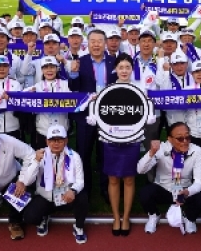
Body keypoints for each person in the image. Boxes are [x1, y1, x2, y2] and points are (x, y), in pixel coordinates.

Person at [87, 53, 147, 236]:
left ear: (132, 69)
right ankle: (115, 217)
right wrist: (94, 111)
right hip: (111, 140)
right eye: (121, 67)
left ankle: (126, 217)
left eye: (127, 67)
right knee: (113, 178)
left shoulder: (140, 90)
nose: (124, 71)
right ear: (115, 69)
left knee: (129, 178)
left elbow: (144, 114)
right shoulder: (108, 90)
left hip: (132, 140)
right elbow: (101, 112)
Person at [68, 30, 117, 200]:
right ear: (87, 44)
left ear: (105, 43)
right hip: (85, 116)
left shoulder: (114, 62)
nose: (96, 45)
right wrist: (74, 74)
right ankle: (85, 188)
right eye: (93, 41)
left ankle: (105, 187)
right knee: (84, 153)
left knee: (106, 153)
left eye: (99, 41)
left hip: (108, 116)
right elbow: (73, 89)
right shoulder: (79, 62)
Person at [21, 125, 88, 243]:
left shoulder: (74, 156)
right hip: (46, 198)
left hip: (66, 197)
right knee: (29, 217)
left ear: (66, 141)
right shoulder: (39, 155)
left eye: (60, 140)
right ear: (47, 141)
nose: (56, 144)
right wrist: (36, 161)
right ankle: (44, 217)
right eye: (52, 140)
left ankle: (78, 227)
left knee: (82, 197)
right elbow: (27, 181)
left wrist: (73, 191)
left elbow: (80, 181)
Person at [137, 122, 201, 234]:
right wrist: (151, 153)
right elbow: (140, 170)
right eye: (180, 138)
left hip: (184, 189)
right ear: (169, 139)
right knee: (144, 193)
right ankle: (154, 215)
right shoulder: (161, 148)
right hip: (164, 188)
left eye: (187, 137)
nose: (185, 141)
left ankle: (189, 218)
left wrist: (188, 191)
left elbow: (200, 181)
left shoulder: (197, 150)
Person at [32, 56, 71, 149]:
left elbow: (75, 101)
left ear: (57, 69)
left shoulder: (65, 84)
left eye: (52, 67)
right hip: (43, 130)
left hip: (62, 128)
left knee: (62, 155)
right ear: (42, 70)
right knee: (44, 155)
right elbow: (27, 102)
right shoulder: (37, 86)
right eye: (46, 67)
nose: (49, 70)